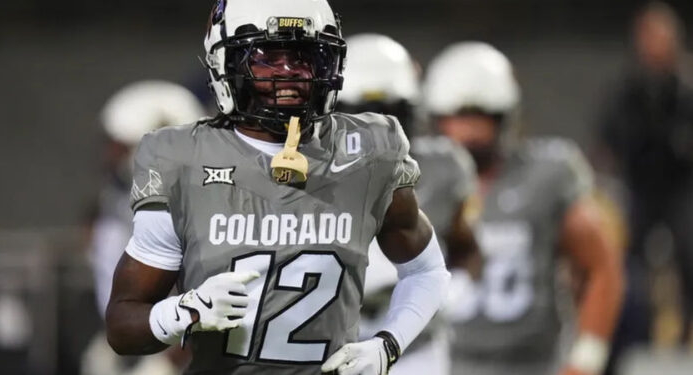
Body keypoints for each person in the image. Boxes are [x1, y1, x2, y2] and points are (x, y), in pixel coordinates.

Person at [105, 1, 450, 375]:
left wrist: (388, 344)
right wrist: (184, 312)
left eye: (304, 57)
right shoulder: (181, 159)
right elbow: (123, 325)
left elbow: (426, 272)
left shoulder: (369, 150)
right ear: (229, 65)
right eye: (268, 58)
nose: (288, 73)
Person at [424, 42, 624, 375]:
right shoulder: (416, 179)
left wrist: (586, 360)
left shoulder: (547, 175)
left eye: (479, 117)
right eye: (456, 117)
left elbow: (602, 266)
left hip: (530, 364)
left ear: (505, 118)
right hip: (438, 364)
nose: (466, 131)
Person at [337, 33, 479, 374]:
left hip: (414, 348)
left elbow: (466, 245)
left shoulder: (445, 166)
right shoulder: (308, 168)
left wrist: (451, 287)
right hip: (334, 346)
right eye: (365, 114)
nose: (380, 128)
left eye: (390, 113)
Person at [82, 80, 205, 375]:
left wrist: (170, 358)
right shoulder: (119, 196)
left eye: (121, 146)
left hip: (180, 344)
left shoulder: (196, 204)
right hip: (139, 333)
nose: (111, 157)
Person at [596, 2, 693, 368]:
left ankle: (686, 333)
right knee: (625, 261)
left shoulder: (685, 86)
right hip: (639, 186)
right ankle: (633, 334)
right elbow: (607, 142)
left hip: (683, 187)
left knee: (689, 251)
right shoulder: (627, 88)